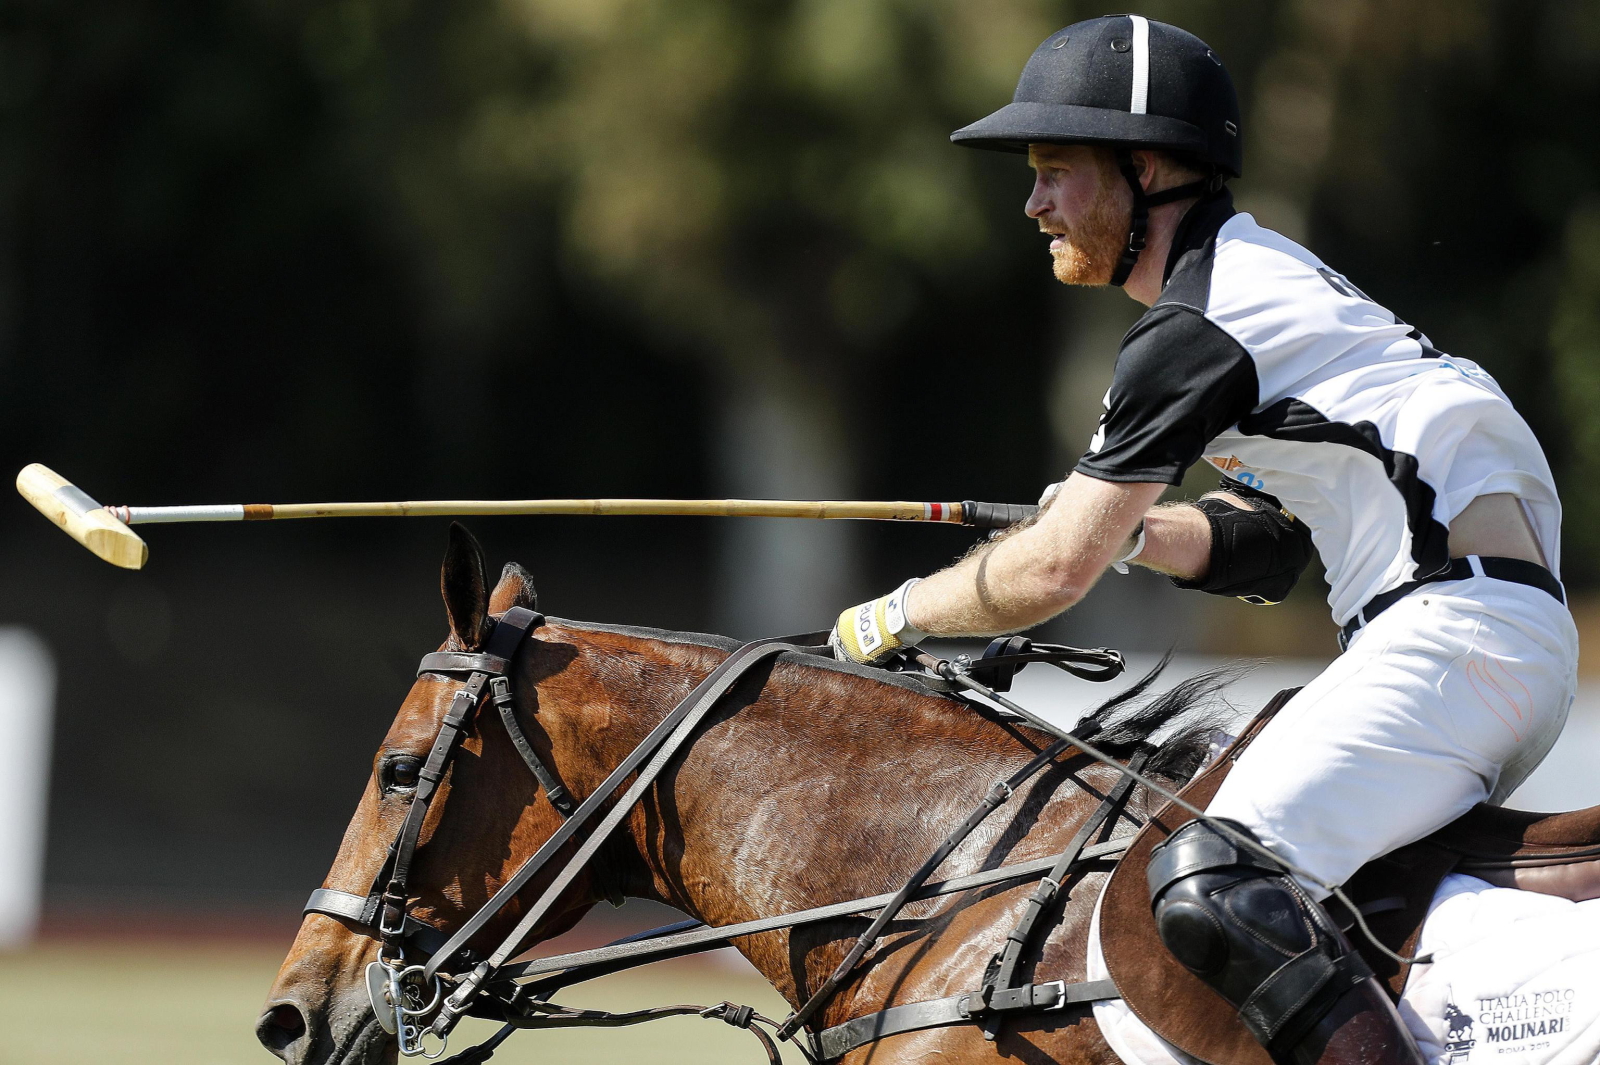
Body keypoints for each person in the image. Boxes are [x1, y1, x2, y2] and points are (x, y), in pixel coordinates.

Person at [827, 14, 1578, 1065]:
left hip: (1455, 644)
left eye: (1055, 171)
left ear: (1148, 171)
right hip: (1478, 642)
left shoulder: (1200, 323)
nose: (1033, 202)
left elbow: (1049, 572)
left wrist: (890, 617)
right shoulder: (1258, 281)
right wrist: (1125, 527)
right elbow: (1264, 546)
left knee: (1209, 880)